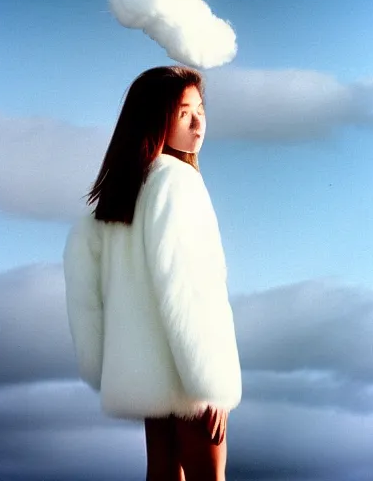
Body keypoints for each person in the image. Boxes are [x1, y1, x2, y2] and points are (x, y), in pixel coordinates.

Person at [63, 65, 242, 481]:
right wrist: (209, 382)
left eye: (200, 109)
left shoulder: (116, 200)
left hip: (149, 374)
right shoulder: (177, 183)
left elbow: (84, 292)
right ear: (155, 119)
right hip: (189, 376)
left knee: (162, 473)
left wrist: (105, 364)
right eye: (183, 113)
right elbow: (187, 288)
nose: (198, 122)